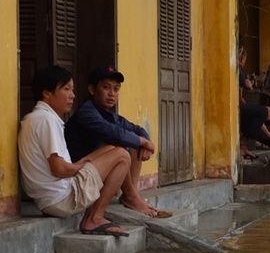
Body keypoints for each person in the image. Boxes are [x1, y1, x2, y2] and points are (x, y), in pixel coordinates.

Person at [18, 66, 131, 237]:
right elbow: (60, 169)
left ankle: (119, 202)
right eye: (66, 89)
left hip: (47, 200)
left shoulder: (33, 118)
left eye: (72, 89)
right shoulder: (46, 120)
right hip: (63, 200)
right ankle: (94, 218)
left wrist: (81, 164)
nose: (72, 95)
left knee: (113, 148)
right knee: (122, 156)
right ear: (47, 93)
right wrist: (80, 167)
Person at [64, 65, 171, 218]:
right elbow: (113, 132)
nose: (111, 94)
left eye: (116, 89)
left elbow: (137, 129)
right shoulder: (86, 112)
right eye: (106, 88)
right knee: (118, 145)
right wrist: (143, 142)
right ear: (92, 90)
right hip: (77, 174)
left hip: (95, 171)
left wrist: (145, 143)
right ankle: (131, 197)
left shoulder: (110, 115)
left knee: (134, 145)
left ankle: (131, 195)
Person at [239, 48, 270, 159]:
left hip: (240, 104)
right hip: (237, 107)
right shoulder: (238, 69)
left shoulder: (237, 69)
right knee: (263, 111)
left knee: (261, 112)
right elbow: (247, 86)